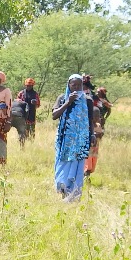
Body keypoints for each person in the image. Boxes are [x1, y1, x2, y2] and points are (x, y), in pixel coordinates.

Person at [51, 74, 95, 202]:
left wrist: (92, 134)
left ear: (82, 85)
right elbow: (54, 115)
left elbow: (90, 119)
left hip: (80, 141)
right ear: (68, 85)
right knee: (62, 163)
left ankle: (73, 194)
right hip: (64, 140)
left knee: (76, 166)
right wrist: (67, 102)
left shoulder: (87, 100)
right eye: (73, 85)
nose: (76, 88)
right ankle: (62, 189)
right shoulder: (62, 98)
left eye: (78, 85)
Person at [85, 84, 111, 176]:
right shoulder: (94, 99)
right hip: (93, 123)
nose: (97, 93)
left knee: (92, 156)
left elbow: (109, 109)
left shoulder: (103, 101)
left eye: (99, 92)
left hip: (97, 123)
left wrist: (104, 118)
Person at [14, 77, 41, 145]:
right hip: (22, 115)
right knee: (22, 132)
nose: (28, 87)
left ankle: (31, 146)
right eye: (27, 85)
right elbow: (17, 103)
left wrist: (35, 103)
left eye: (30, 85)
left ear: (32, 86)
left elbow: (38, 105)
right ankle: (22, 146)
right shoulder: (21, 93)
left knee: (32, 133)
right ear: (25, 85)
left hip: (32, 115)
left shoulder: (35, 94)